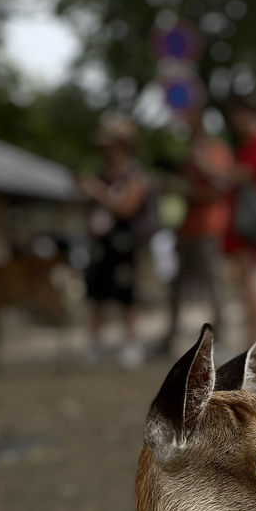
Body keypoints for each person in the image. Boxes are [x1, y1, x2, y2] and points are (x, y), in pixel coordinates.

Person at [79, 114, 153, 369]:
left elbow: (127, 208)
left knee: (126, 292)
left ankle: (132, 342)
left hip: (126, 242)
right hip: (103, 242)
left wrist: (97, 192)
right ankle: (95, 342)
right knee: (96, 291)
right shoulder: (104, 173)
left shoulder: (136, 175)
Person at [161, 106, 233, 353]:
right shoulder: (189, 154)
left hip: (209, 228)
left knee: (215, 286)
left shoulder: (216, 151)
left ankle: (221, 338)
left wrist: (198, 176)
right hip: (187, 229)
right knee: (176, 286)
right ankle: (169, 337)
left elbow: (223, 185)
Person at [217, 94, 256, 345]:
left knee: (251, 277)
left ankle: (255, 338)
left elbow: (238, 177)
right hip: (245, 218)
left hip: (246, 220)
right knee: (252, 276)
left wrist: (211, 171)